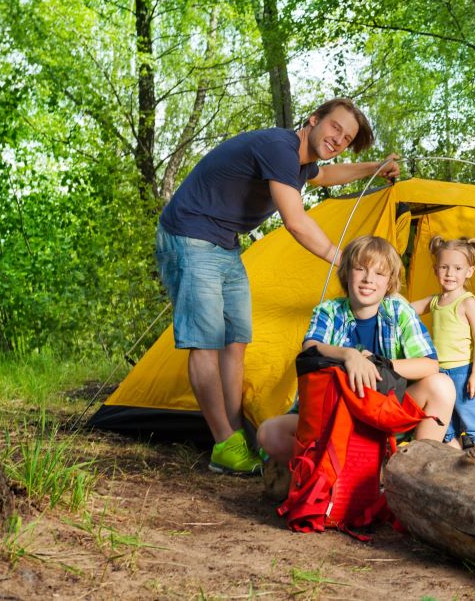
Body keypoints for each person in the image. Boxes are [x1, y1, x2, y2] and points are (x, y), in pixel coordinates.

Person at [155, 98, 401, 475]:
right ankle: (224, 443)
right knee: (205, 343)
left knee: (235, 341)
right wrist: (347, 260)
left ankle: (238, 436)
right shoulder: (279, 147)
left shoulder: (300, 165)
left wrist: (375, 167)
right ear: (314, 119)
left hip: (224, 243)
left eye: (347, 138)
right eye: (335, 128)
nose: (339, 139)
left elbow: (325, 177)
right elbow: (296, 221)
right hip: (190, 234)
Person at [256, 235, 456, 465]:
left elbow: (430, 363)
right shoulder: (329, 311)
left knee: (442, 385)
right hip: (334, 415)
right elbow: (309, 349)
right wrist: (349, 355)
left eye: (379, 273)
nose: (368, 279)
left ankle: (413, 470)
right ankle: (338, 472)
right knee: (269, 433)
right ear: (347, 272)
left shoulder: (398, 310)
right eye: (360, 269)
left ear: (389, 282)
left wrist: (380, 363)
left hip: (386, 411)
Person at [410, 236, 475, 459]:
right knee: (446, 430)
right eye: (444, 267)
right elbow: (407, 309)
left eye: (457, 268)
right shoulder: (435, 301)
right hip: (438, 374)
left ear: (469, 272)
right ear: (436, 269)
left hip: (462, 374)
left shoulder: (467, 302)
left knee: (474, 425)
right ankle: (459, 469)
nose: (450, 273)